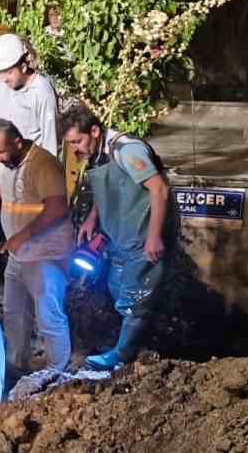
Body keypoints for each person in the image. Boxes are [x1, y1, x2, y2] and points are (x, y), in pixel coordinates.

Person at [61, 104, 173, 372]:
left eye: (78, 140)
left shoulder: (126, 150)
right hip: (120, 234)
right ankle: (132, 345)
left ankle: (124, 355)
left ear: (95, 131)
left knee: (136, 297)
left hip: (141, 234)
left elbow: (159, 189)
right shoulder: (99, 153)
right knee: (118, 287)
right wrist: (93, 218)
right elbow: (113, 187)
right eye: (70, 143)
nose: (75, 148)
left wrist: (154, 237)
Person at [0, 119, 74, 373]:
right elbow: (3, 190)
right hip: (19, 254)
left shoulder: (43, 164)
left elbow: (57, 208)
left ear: (18, 141)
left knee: (48, 316)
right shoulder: (10, 164)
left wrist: (22, 235)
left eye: (1, 151)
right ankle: (16, 364)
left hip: (47, 254)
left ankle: (58, 371)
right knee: (14, 314)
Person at [0, 34, 60, 275]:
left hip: (22, 170)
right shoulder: (2, 85)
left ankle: (15, 267)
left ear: (23, 64)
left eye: (8, 71)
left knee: (15, 223)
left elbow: (50, 138)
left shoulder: (42, 91)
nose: (3, 77)